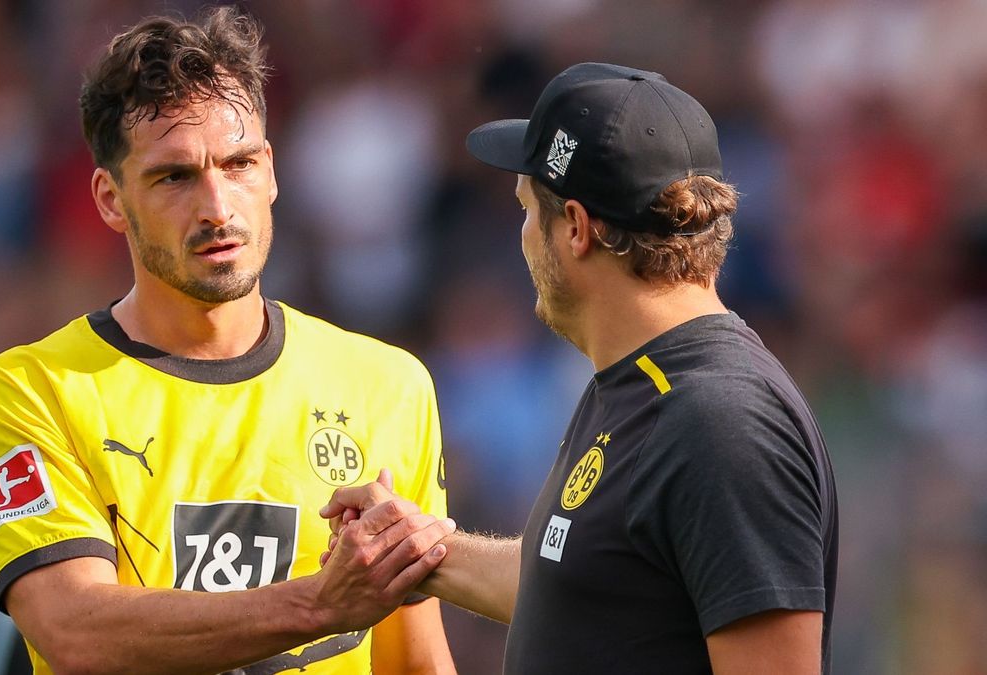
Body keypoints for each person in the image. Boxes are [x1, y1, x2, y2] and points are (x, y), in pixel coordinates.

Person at [0, 8, 457, 675]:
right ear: (110, 200)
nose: (219, 208)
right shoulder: (30, 392)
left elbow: (415, 661)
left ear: (272, 171)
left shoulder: (388, 386)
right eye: (175, 176)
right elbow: (75, 631)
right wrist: (319, 605)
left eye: (239, 163)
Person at [323, 63, 838, 674]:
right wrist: (415, 551)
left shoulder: (720, 421)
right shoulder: (640, 381)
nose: (521, 237)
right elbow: (587, 586)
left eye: (526, 210)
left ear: (575, 228)